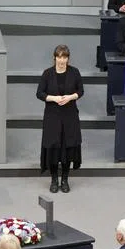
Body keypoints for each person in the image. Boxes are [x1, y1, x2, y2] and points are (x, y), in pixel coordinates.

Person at [37, 44, 84, 193]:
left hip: (70, 116)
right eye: (59, 57)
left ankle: (64, 179)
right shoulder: (47, 73)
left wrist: (70, 97)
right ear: (54, 58)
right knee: (53, 149)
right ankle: (53, 180)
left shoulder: (75, 72)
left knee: (67, 148)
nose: (61, 60)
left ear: (68, 58)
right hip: (53, 117)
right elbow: (39, 93)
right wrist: (54, 98)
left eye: (64, 57)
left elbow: (81, 91)